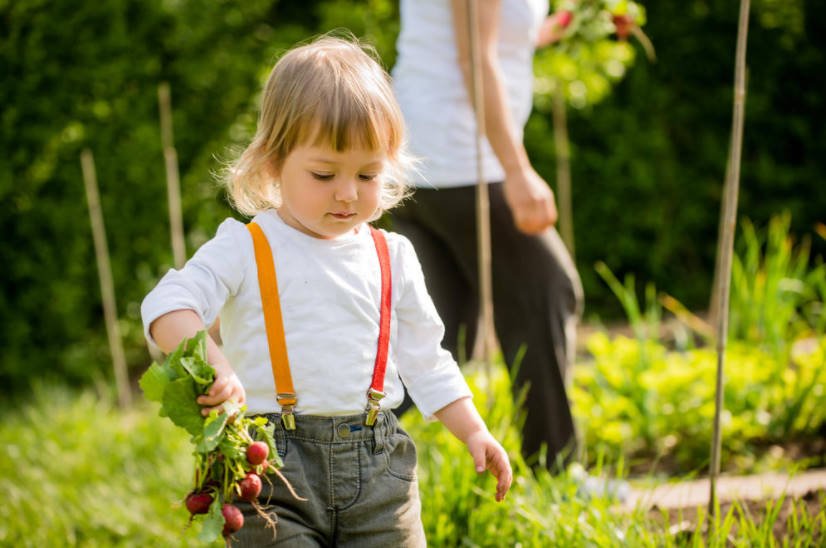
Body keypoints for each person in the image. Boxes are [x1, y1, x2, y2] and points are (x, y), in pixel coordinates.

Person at [141, 35, 512, 546]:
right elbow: (166, 305)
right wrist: (214, 362)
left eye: (367, 174)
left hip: (381, 475)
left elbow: (428, 361)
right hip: (270, 475)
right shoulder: (248, 246)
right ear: (273, 163)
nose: (347, 192)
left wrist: (474, 430)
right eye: (323, 173)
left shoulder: (393, 256)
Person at [391, 0, 584, 471]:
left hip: (421, 159)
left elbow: (500, 37)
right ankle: (555, 469)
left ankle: (321, 445)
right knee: (546, 290)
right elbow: (475, 57)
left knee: (439, 334)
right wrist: (517, 171)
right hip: (460, 160)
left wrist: (571, 19)